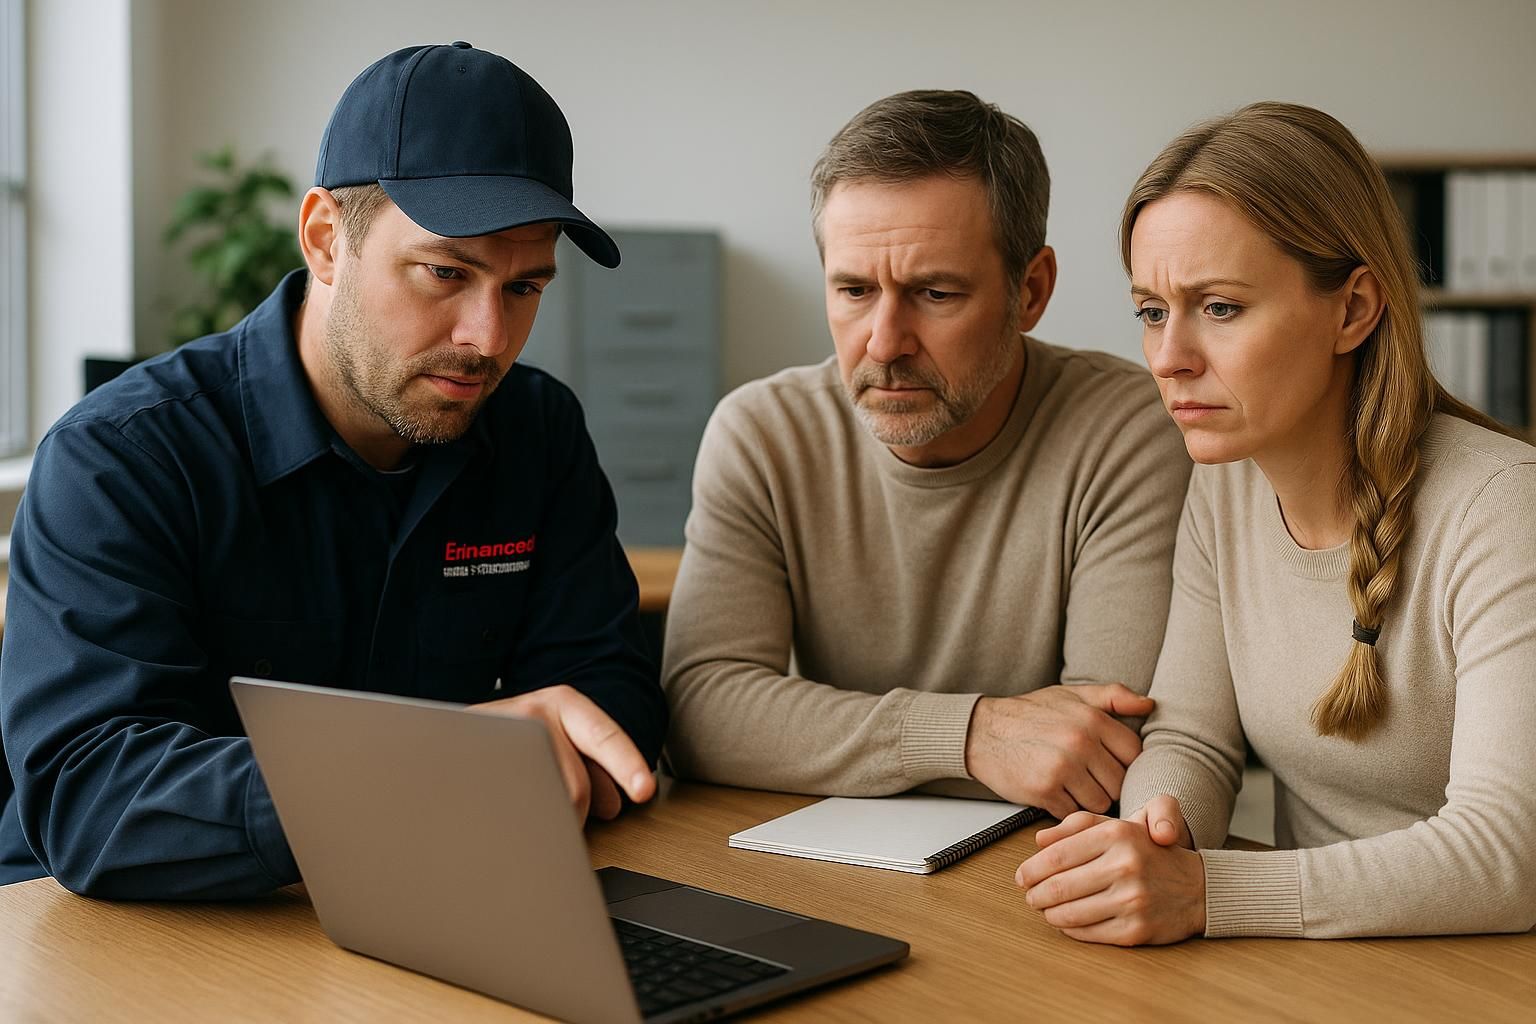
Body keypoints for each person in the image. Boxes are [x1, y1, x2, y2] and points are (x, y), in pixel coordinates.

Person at [0, 42, 667, 898]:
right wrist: (424, 771)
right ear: (324, 239)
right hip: (117, 941)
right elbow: (91, 799)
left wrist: (492, 762)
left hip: (423, 899)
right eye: (445, 273)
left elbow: (609, 693)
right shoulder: (122, 458)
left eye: (525, 288)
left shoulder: (537, 430)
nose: (488, 338)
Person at [1016, 101, 1536, 944]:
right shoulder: (1224, 489)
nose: (1170, 357)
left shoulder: (1504, 507)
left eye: (1219, 307)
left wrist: (1205, 894)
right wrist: (1154, 839)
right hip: (1314, 970)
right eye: (1152, 310)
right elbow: (1192, 736)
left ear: (1353, 309)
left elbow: (1509, 859)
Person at [661, 90, 1190, 816]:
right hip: (832, 856)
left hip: (1037, 868)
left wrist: (813, 738)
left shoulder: (1129, 432)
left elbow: (1098, 751)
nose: (883, 343)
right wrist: (968, 736)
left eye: (935, 293)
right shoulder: (761, 433)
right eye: (852, 290)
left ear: (1030, 291)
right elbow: (702, 713)